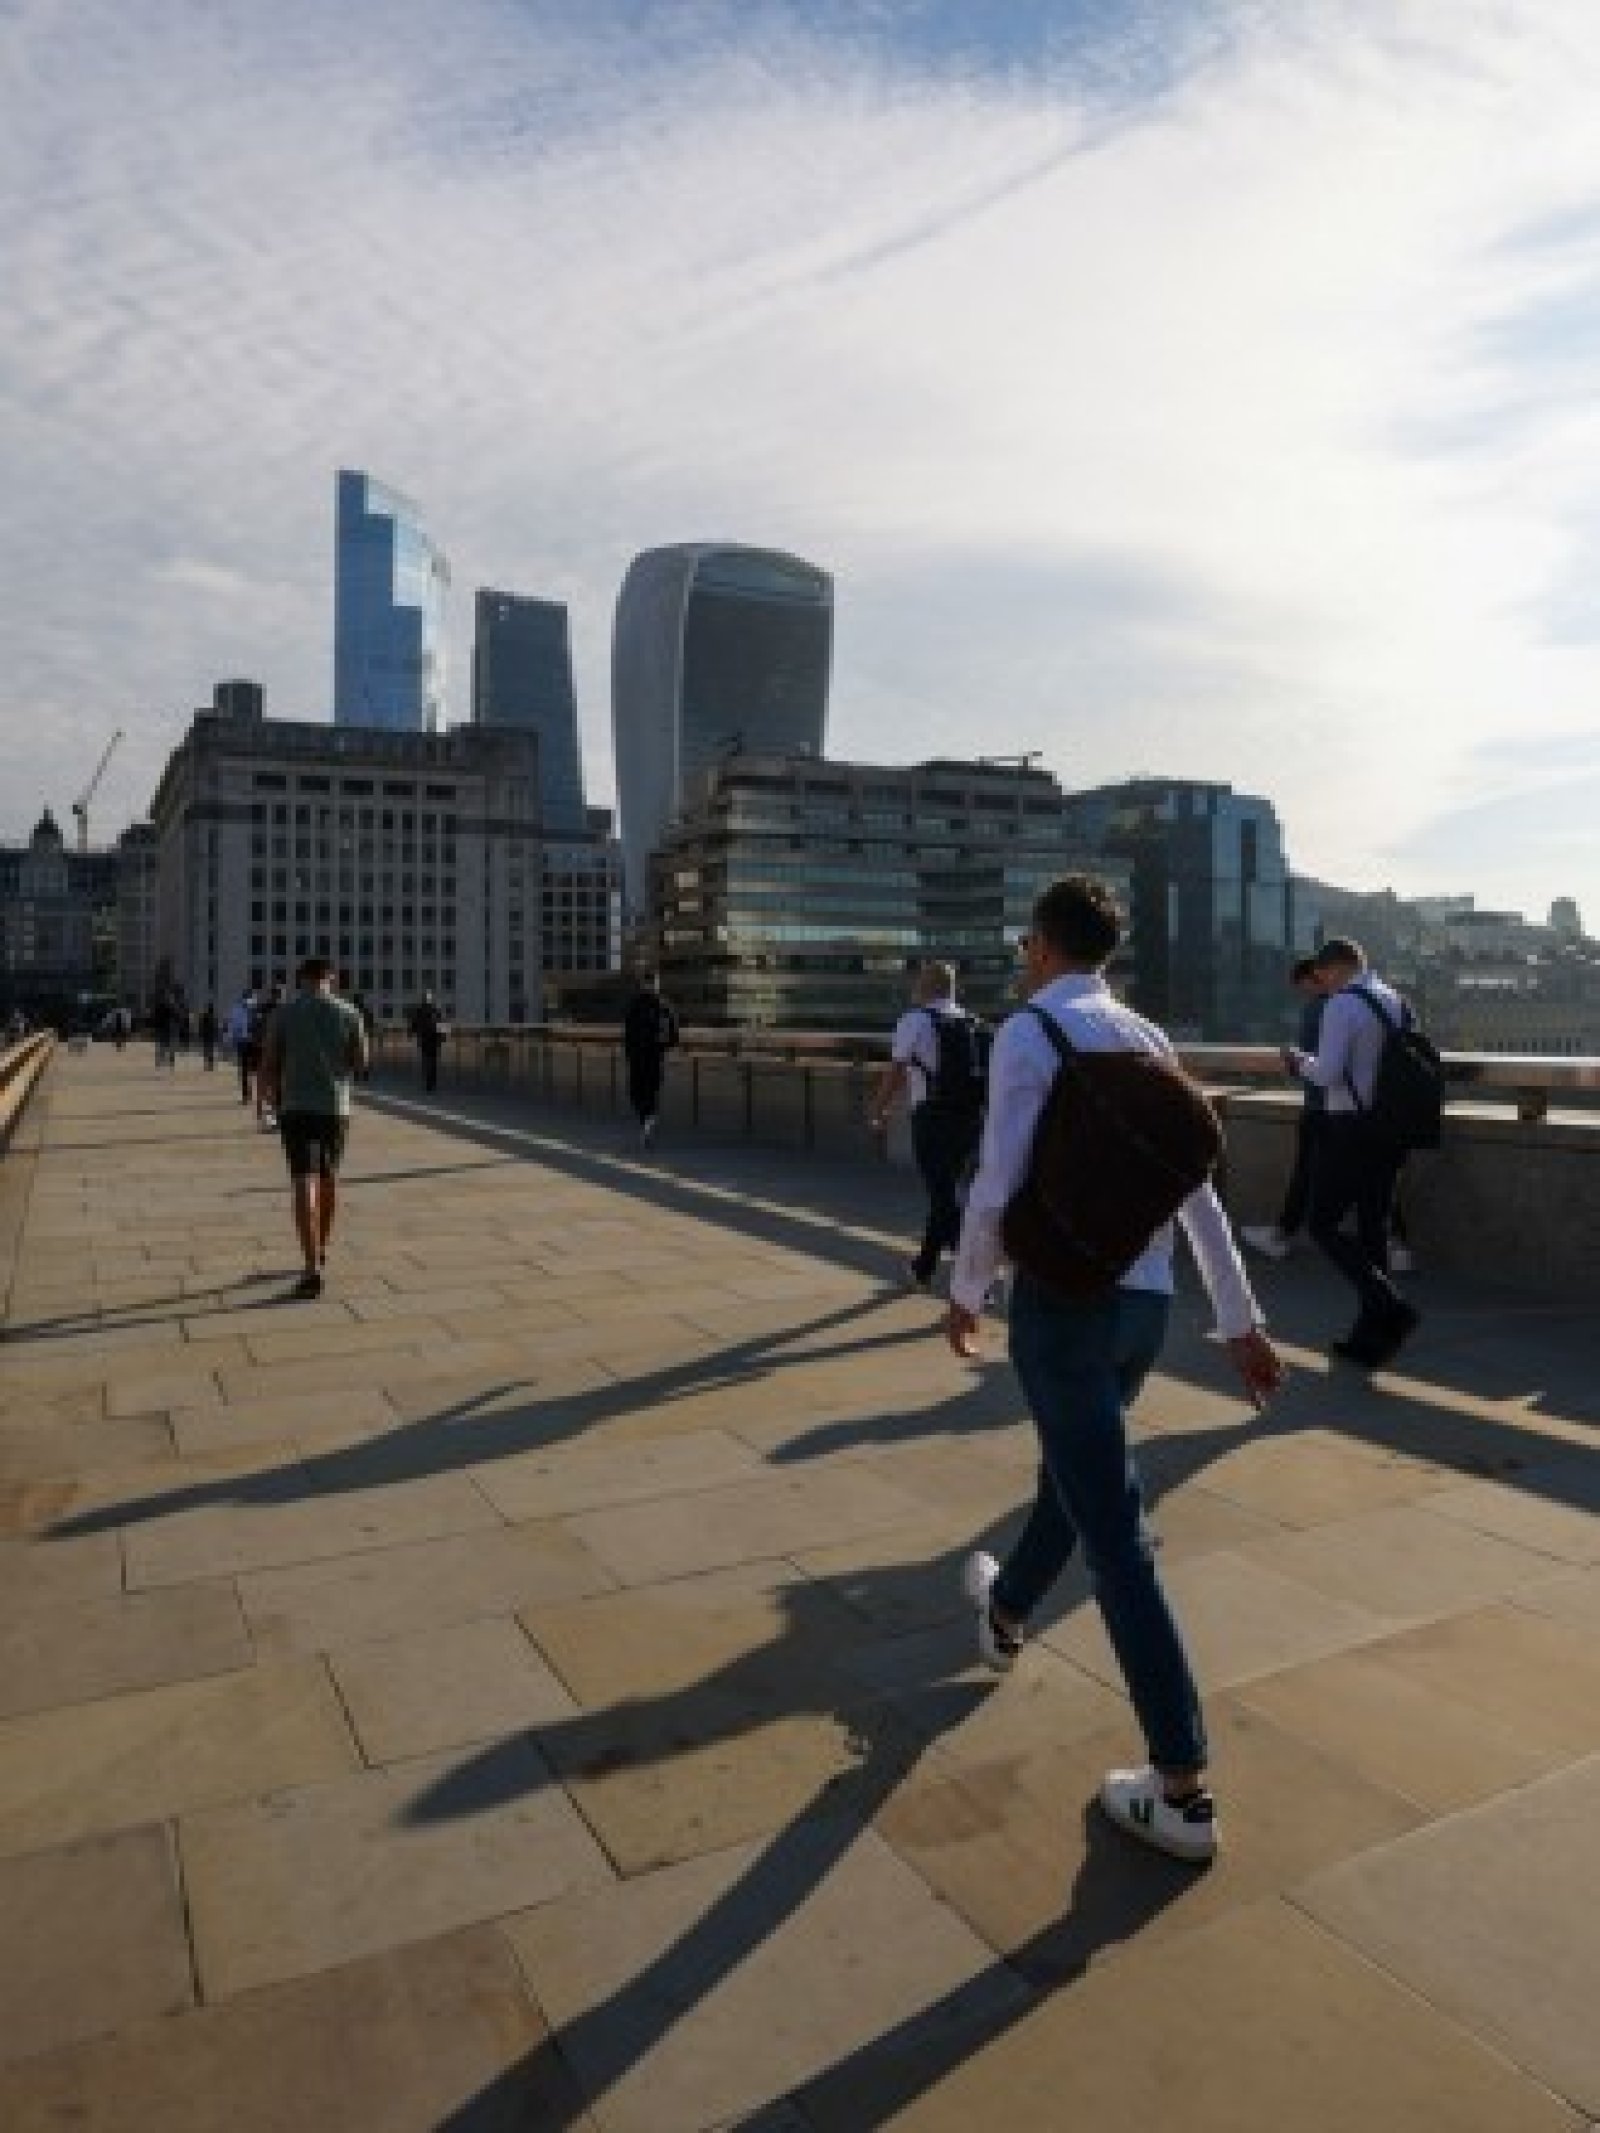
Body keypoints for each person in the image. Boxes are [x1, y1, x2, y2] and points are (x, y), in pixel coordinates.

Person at [946, 874, 1284, 1865]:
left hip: (1062, 1305)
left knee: (1119, 1541)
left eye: (1026, 946)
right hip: (1145, 1306)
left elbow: (997, 1180)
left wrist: (967, 1289)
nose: (1024, 960)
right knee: (1075, 1474)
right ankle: (1007, 1608)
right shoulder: (1145, 1036)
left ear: (1043, 945)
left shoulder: (1028, 1034)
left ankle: (1180, 1789)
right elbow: (1198, 1194)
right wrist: (1239, 1320)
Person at [1284, 936, 1421, 1368]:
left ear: (1337, 967)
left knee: (1322, 1223)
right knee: (1372, 1228)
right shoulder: (1395, 1000)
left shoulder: (1342, 1005)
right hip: (1392, 1128)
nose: (1321, 983)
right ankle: (1372, 1337)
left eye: (1322, 975)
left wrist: (1298, 1061)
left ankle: (1391, 1306)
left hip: (1350, 1127)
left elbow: (1327, 1073)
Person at [869, 961, 987, 1292]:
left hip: (932, 1117)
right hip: (969, 1117)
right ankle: (924, 1269)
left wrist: (879, 1108)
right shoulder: (973, 1022)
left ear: (925, 986)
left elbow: (897, 1070)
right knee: (944, 1193)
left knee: (942, 1195)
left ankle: (973, 1275)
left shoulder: (915, 1020)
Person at [258, 955, 368, 1300]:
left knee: (304, 1180)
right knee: (328, 1177)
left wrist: (265, 1102)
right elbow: (360, 1062)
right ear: (330, 978)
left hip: (295, 1106)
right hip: (335, 1107)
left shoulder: (283, 1014)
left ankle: (310, 1267)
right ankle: (321, 1248)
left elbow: (268, 1063)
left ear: (300, 979)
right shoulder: (349, 1012)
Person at [1241, 957, 1327, 1262]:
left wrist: (1291, 1056)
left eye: (1303, 987)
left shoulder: (1318, 1008)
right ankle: (1397, 1244)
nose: (1303, 994)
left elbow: (1306, 1062)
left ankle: (1281, 1235)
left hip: (1320, 1105)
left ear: (1313, 978)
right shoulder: (1354, 1004)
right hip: (1358, 1106)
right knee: (1369, 1173)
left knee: (1305, 1173)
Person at [622, 972, 680, 1146]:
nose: (650, 986)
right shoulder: (645, 1006)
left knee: (644, 1093)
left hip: (647, 1057)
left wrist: (662, 1046)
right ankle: (648, 1122)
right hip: (646, 1057)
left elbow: (673, 1035)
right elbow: (673, 1035)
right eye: (649, 983)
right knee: (643, 1093)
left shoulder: (658, 1007)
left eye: (652, 983)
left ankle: (647, 1124)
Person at [254, 982, 284, 1129]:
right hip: (279, 1050)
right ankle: (275, 1115)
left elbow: (256, 1027)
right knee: (277, 1084)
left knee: (265, 1081)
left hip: (265, 1049)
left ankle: (263, 1111)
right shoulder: (285, 1010)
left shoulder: (262, 1009)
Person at [227, 989, 260, 1106]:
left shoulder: (238, 1009)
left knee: (246, 1070)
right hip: (250, 1042)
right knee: (250, 1070)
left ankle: (247, 1094)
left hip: (246, 1042)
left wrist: (232, 1040)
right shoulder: (253, 1007)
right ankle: (249, 1094)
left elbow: (233, 1027)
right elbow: (233, 1026)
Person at [409, 991, 446, 1093]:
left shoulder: (419, 1011)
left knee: (426, 1061)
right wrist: (442, 1037)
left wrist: (415, 1032)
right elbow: (441, 1024)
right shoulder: (436, 1010)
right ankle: (432, 1081)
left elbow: (414, 1025)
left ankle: (428, 1082)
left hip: (425, 1039)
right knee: (433, 1061)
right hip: (434, 1040)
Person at [197, 1002, 218, 1071]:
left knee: (206, 1050)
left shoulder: (205, 1016)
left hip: (206, 1036)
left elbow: (201, 1026)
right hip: (210, 1036)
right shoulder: (214, 1018)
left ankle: (207, 1064)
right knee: (210, 1050)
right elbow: (215, 1028)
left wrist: (200, 1035)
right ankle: (210, 1065)